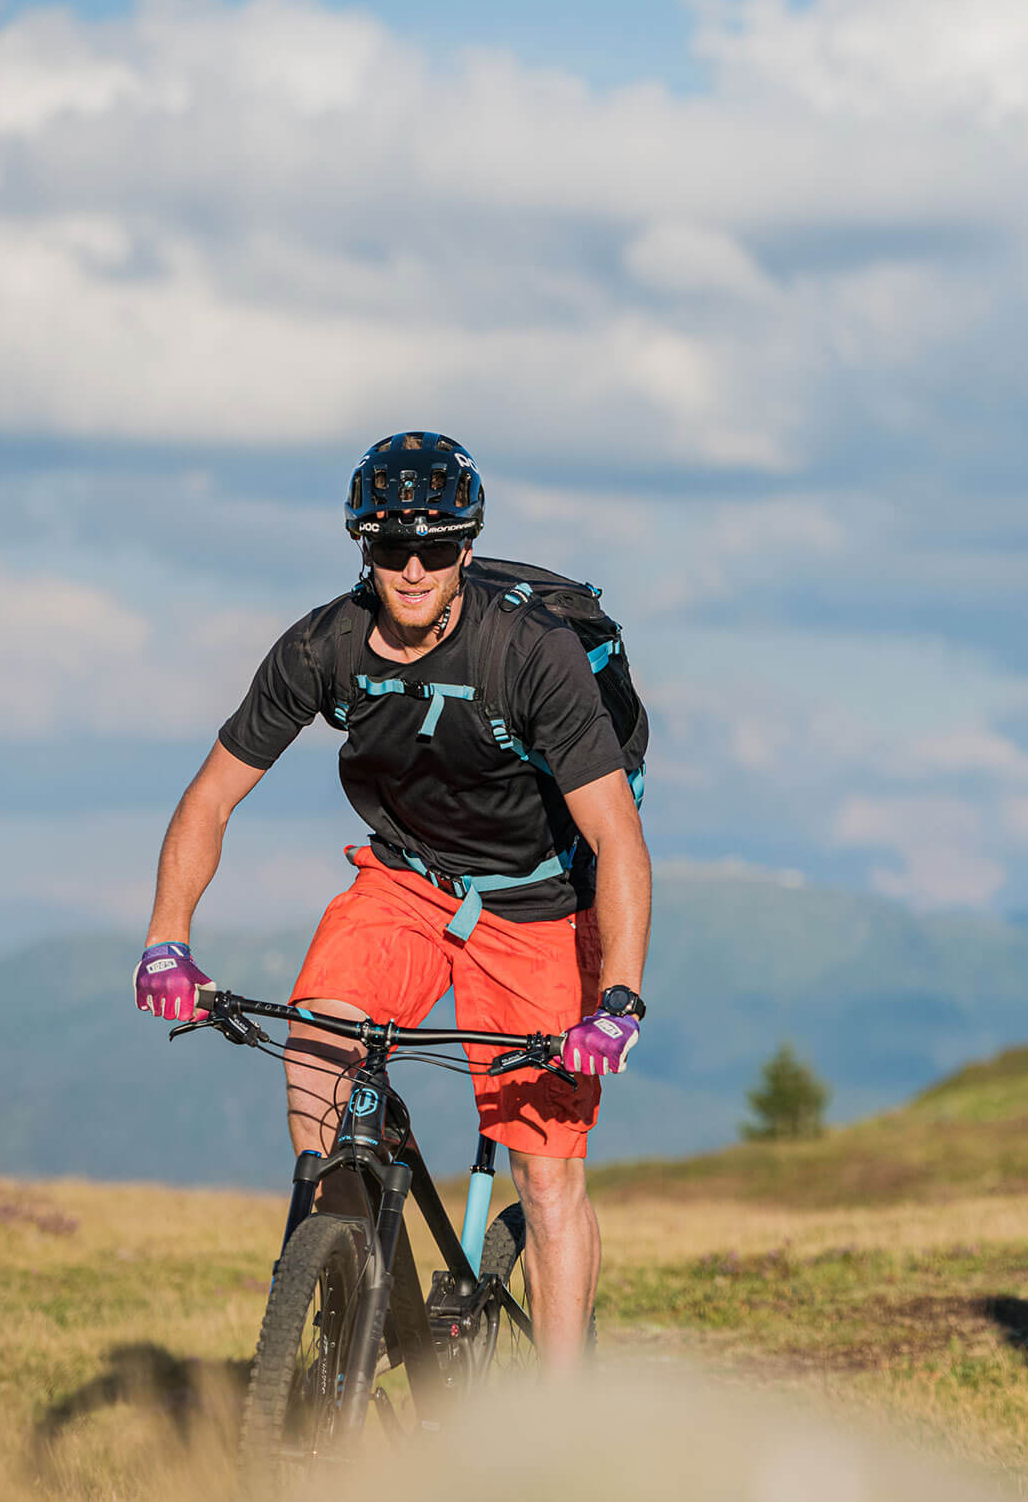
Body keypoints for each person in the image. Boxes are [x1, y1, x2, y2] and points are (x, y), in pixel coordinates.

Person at [133, 431, 651, 1371]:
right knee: (315, 1055)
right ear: (363, 547)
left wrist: (618, 1001)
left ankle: (563, 1416)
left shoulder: (529, 653)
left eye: (436, 547)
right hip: (405, 883)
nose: (414, 568)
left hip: (536, 905)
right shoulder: (323, 645)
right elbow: (210, 797)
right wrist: (167, 941)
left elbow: (617, 838)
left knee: (545, 1176)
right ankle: (339, 1300)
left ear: (466, 548)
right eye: (392, 547)